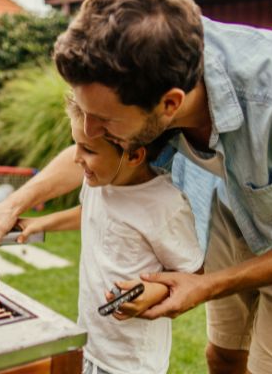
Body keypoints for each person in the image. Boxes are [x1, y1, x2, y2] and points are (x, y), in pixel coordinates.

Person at [0, 0, 272, 373]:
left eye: (104, 121)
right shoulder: (148, 62)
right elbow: (91, 151)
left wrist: (207, 285)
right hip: (230, 208)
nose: (90, 131)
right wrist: (14, 204)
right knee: (223, 358)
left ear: (170, 104)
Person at [17, 99, 203, 374]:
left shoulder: (165, 206)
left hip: (131, 363)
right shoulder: (98, 181)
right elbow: (91, 214)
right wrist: (40, 223)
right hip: (90, 343)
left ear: (134, 156)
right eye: (76, 144)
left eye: (88, 149)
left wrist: (154, 292)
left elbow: (193, 273)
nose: (76, 157)